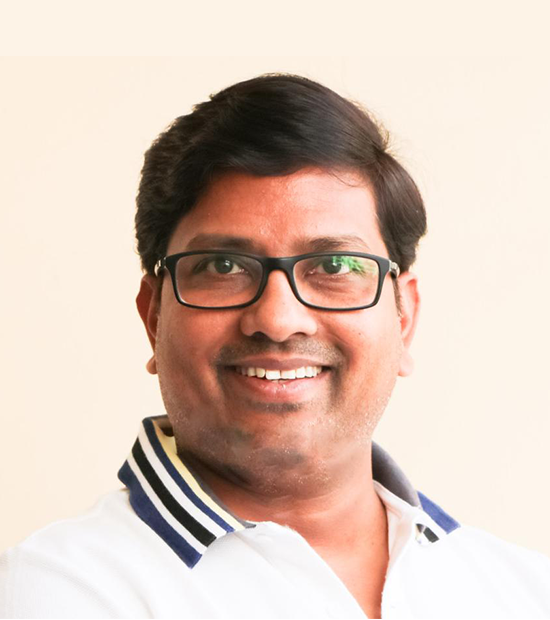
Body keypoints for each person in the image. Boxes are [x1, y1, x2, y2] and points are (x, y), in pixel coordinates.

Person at [1, 74, 549, 620]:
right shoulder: (50, 594)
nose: (279, 320)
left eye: (335, 265)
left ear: (403, 317)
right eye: (223, 266)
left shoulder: (525, 592)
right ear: (154, 317)